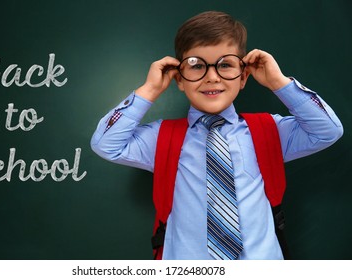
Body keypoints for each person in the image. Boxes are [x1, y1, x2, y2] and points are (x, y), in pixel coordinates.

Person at [90, 11, 343, 260]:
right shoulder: (162, 138)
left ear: (244, 76)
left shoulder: (269, 131)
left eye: (225, 65)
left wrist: (279, 82)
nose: (212, 77)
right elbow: (106, 144)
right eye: (196, 65)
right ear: (180, 79)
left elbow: (327, 130)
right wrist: (150, 90)